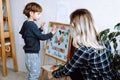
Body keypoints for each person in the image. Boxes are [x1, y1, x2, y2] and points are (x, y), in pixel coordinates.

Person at [48, 9, 119, 80]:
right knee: (74, 68)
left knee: (72, 70)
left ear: (76, 27)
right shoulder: (104, 40)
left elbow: (67, 69)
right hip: (112, 77)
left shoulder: (83, 49)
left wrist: (53, 74)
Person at [19, 2, 56, 80]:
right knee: (35, 74)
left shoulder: (26, 23)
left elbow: (26, 34)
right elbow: (41, 37)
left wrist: (40, 29)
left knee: (30, 73)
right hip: (33, 55)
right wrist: (52, 33)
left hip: (28, 54)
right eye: (38, 14)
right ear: (31, 13)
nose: (40, 16)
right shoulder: (32, 25)